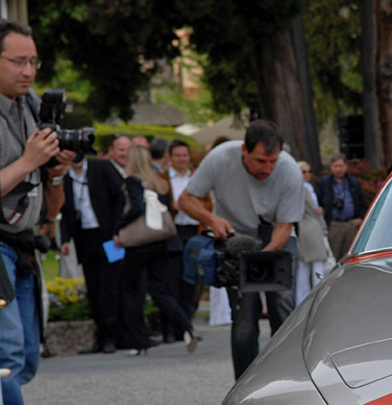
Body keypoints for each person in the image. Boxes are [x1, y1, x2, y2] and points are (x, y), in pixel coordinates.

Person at [0, 18, 75, 405]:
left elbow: (52, 205)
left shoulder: (31, 105)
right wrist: (30, 160)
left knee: (28, 355)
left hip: (23, 240)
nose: (29, 70)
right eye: (18, 61)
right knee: (5, 350)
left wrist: (54, 172)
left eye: (34, 60)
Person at [176, 119, 304, 379]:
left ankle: (287, 380)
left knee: (281, 306)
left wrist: (261, 261)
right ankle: (245, 385)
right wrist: (212, 219)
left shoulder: (290, 169)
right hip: (236, 239)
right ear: (244, 150)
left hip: (276, 238)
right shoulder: (220, 158)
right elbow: (184, 200)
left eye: (273, 161)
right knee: (244, 315)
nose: (267, 168)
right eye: (260, 161)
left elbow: (285, 228)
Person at [112, 145, 198, 355]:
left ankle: (139, 341)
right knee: (160, 290)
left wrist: (118, 227)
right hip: (161, 242)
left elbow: (137, 208)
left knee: (131, 291)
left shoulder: (133, 180)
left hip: (139, 243)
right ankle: (186, 326)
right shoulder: (160, 182)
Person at [60, 149, 128, 353]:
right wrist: (65, 239)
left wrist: (117, 230)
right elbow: (64, 211)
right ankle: (101, 334)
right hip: (85, 238)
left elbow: (120, 198)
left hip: (108, 237)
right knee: (94, 288)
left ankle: (114, 335)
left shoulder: (101, 168)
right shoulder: (65, 178)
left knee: (112, 285)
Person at [162, 139, 212, 329]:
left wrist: (193, 207)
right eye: (178, 155)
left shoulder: (196, 178)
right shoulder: (163, 178)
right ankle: (170, 326)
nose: (182, 159)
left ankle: (186, 324)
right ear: (170, 157)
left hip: (193, 231)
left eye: (184, 155)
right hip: (172, 231)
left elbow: (208, 204)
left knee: (190, 279)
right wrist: (173, 206)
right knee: (171, 278)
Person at [315, 155, 367, 261]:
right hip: (334, 225)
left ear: (346, 166)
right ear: (331, 167)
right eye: (335, 166)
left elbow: (362, 203)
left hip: (351, 224)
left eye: (340, 166)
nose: (338, 169)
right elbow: (318, 201)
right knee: (335, 257)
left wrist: (361, 218)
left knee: (351, 257)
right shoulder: (324, 183)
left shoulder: (353, 182)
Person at [294, 160, 331, 305]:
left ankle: (305, 301)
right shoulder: (302, 188)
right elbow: (313, 210)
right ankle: (316, 300)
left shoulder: (307, 187)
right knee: (315, 266)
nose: (307, 174)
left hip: (307, 228)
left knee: (307, 267)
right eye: (304, 172)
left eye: (309, 171)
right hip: (309, 228)